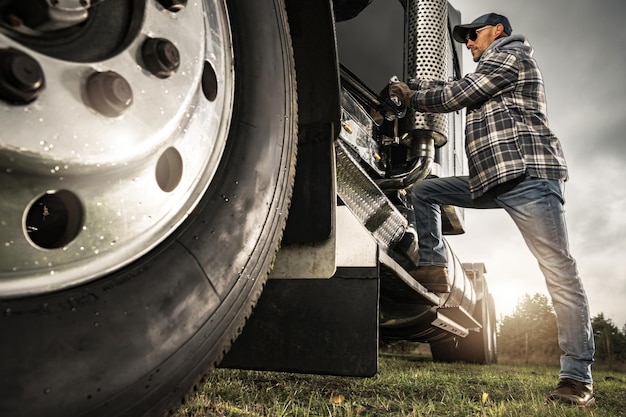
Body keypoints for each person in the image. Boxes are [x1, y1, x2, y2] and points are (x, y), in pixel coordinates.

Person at [388, 13, 595, 407]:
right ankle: (433, 271)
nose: (468, 43)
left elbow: (454, 96)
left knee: (559, 274)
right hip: (493, 179)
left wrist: (412, 96)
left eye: (473, 35)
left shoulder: (510, 56)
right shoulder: (492, 64)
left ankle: (576, 378)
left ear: (497, 31)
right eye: (464, 39)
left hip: (530, 177)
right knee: (426, 190)